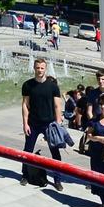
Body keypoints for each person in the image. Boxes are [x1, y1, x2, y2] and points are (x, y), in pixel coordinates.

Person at [20, 57, 66, 192]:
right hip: (33, 123)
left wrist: (57, 123)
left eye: (42, 68)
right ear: (34, 68)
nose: (39, 70)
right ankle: (25, 175)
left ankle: (57, 179)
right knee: (27, 150)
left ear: (45, 69)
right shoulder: (27, 85)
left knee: (55, 152)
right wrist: (25, 124)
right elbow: (25, 105)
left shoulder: (52, 86)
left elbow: (58, 105)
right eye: (37, 68)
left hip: (49, 124)